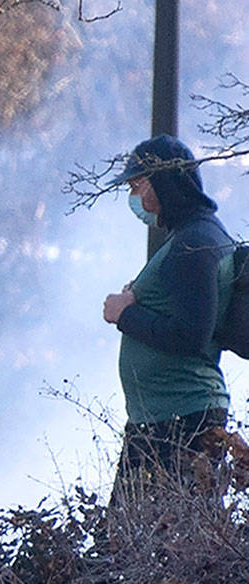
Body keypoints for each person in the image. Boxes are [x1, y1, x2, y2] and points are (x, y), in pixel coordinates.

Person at [103, 135, 235, 507]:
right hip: (165, 419)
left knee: (135, 545)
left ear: (164, 183)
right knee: (140, 541)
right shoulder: (193, 236)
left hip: (178, 422)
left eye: (137, 184)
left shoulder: (193, 244)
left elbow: (190, 336)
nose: (133, 195)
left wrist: (125, 313)